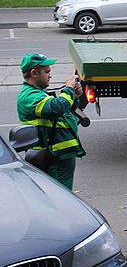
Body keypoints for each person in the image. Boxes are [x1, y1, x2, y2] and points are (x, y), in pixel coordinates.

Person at [17, 53, 85, 189]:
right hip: (53, 158)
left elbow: (61, 116)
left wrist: (74, 98)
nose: (50, 75)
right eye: (47, 72)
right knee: (61, 197)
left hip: (60, 156)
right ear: (34, 73)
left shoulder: (39, 93)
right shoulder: (29, 96)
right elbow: (56, 108)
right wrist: (69, 89)